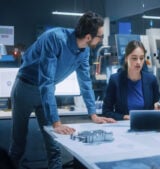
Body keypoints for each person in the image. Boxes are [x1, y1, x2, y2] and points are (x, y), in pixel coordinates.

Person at [9, 11, 116, 169]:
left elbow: (85, 81)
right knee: (19, 145)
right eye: (100, 36)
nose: (101, 40)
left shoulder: (84, 51)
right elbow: (46, 81)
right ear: (88, 36)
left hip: (45, 95)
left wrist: (93, 114)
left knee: (54, 147)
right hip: (25, 89)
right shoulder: (54, 38)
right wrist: (56, 122)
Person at [102, 40, 160, 120]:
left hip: (147, 127)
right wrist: (124, 117)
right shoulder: (115, 80)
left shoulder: (151, 80)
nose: (138, 62)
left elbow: (159, 107)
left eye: (141, 58)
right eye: (134, 58)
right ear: (126, 58)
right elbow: (106, 111)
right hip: (124, 127)